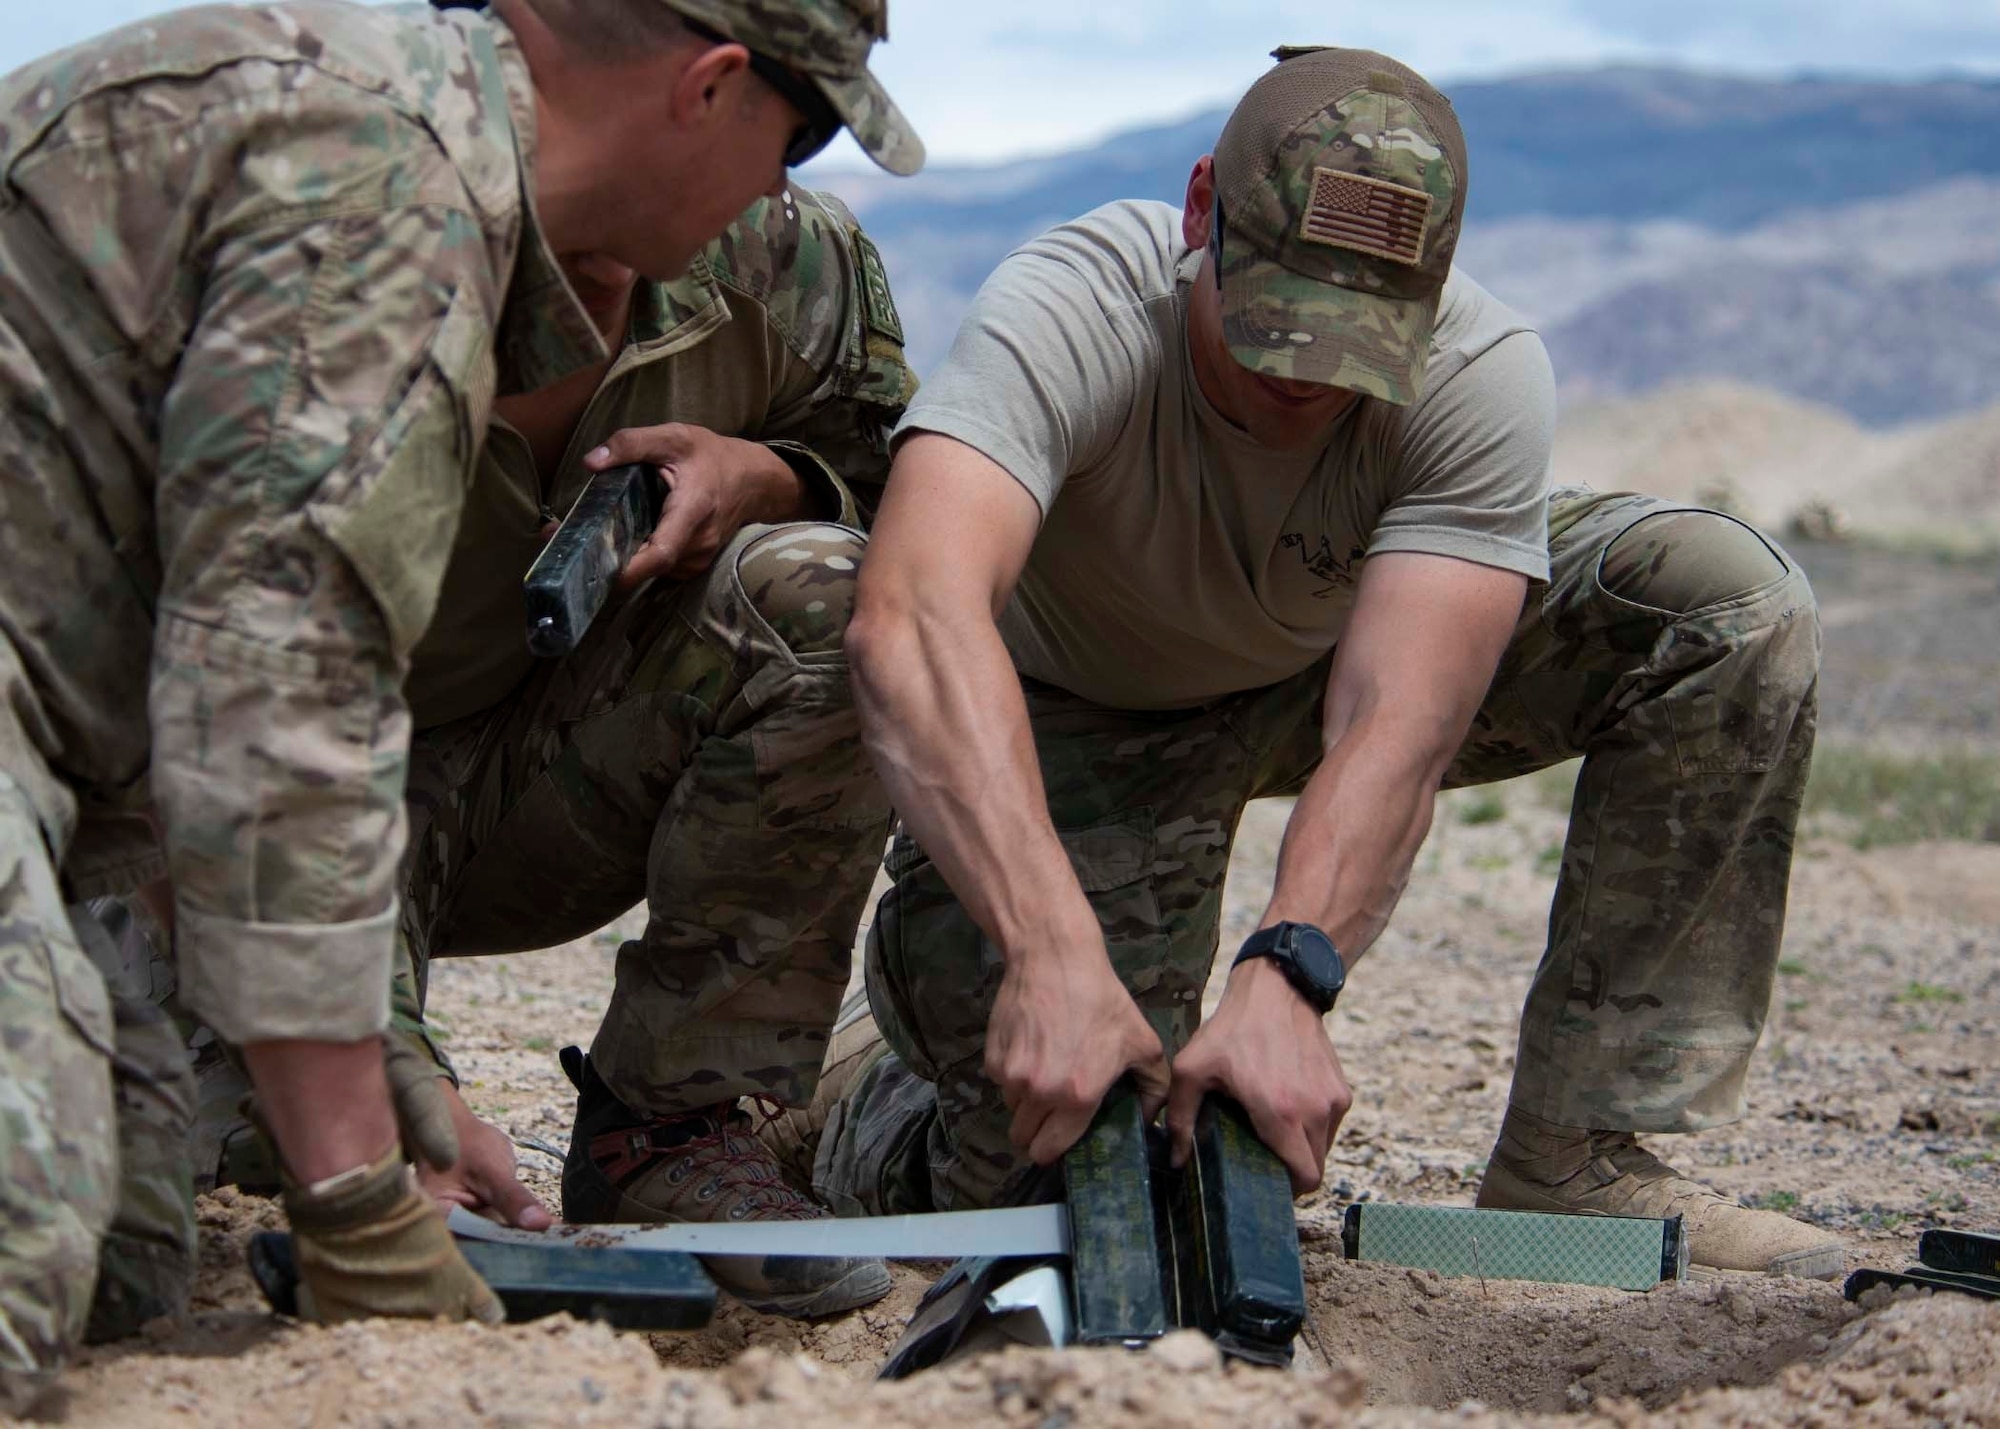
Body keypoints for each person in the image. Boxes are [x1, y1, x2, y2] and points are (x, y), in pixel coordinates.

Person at [0, 0, 919, 1410]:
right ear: (714, 87)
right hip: (92, 752)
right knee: (25, 1243)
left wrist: (391, 1082)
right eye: (795, 136)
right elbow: (276, 706)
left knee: (123, 1248)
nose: (785, 184)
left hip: (122, 767)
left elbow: (272, 700)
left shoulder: (444, 157)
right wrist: (360, 1196)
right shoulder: (383, 178)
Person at [800, 45, 1844, 1283]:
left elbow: (1397, 719)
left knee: (1721, 606)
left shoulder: (1477, 370)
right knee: (1067, 1176)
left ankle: (1574, 1167)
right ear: (1202, 213)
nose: (1302, 376)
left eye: (1354, 341)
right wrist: (1048, 948)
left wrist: (1288, 974)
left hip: (1316, 659)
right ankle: (856, 1072)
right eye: (1274, 321)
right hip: (1094, 707)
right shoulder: (1077, 304)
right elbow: (913, 610)